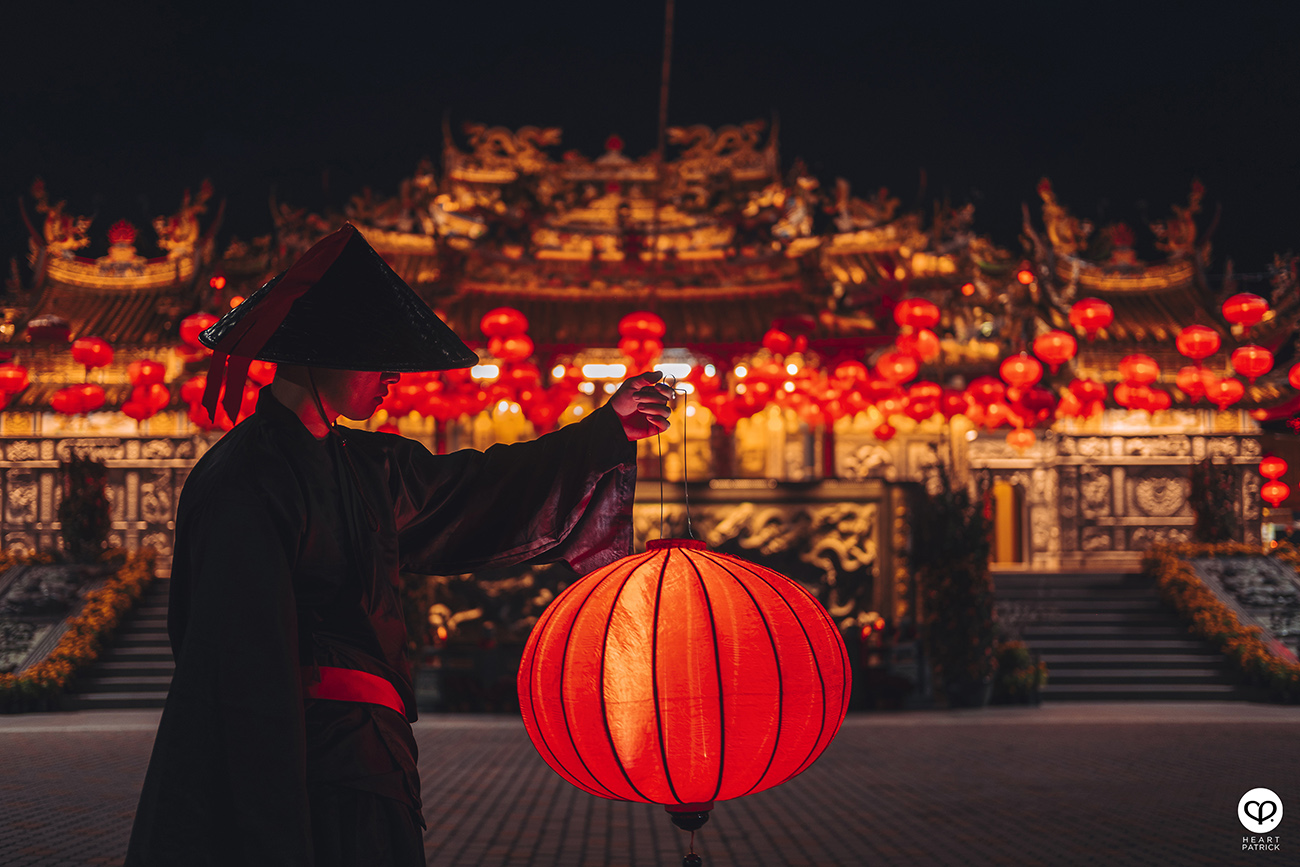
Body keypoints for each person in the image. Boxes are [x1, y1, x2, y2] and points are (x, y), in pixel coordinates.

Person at [125, 224, 672, 866]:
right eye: (378, 357)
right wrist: (270, 818)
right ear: (323, 351)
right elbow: (239, 670)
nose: (394, 376)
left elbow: (476, 491)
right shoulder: (244, 479)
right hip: (294, 764)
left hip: (372, 762)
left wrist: (605, 431)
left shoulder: (367, 466)